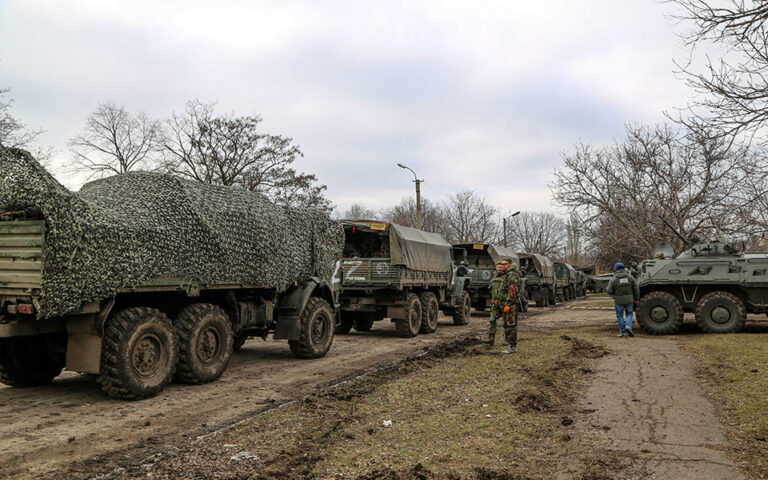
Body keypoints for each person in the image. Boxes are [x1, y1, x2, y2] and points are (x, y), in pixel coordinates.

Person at [488, 257, 522, 353]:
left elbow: (512, 291)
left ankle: (512, 347)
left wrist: (508, 303)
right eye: (501, 264)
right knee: (508, 325)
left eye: (504, 264)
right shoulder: (508, 274)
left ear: (509, 264)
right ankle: (511, 346)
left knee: (510, 325)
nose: (502, 266)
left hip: (511, 306)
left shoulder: (512, 275)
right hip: (505, 304)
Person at [606, 262, 640, 337]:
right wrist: (636, 299)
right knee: (629, 314)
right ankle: (628, 326)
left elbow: (609, 290)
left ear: (616, 269)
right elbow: (636, 289)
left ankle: (623, 333)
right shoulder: (630, 277)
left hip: (618, 300)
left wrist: (613, 295)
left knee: (620, 316)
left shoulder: (614, 279)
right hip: (629, 299)